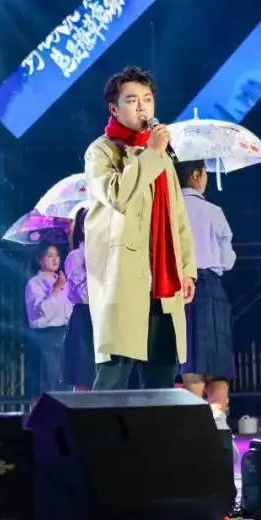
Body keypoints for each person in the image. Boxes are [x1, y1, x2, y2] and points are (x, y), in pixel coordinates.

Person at [83, 66, 197, 390]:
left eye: (147, 99)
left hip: (163, 282)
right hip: (123, 280)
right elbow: (118, 194)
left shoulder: (161, 158)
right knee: (113, 378)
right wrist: (152, 153)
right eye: (132, 100)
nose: (142, 108)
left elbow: (178, 218)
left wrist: (187, 269)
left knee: (161, 380)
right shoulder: (101, 151)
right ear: (114, 108)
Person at [176, 160, 236, 429]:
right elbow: (227, 260)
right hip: (211, 287)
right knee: (217, 369)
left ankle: (193, 430)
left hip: (179, 290)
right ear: (197, 175)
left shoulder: (169, 210)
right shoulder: (214, 211)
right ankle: (219, 427)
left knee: (190, 365)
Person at [24, 244, 72, 396]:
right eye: (49, 256)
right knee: (48, 382)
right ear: (39, 260)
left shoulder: (62, 280)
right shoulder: (35, 283)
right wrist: (56, 289)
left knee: (64, 382)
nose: (55, 259)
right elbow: (44, 310)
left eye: (56, 255)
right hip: (46, 336)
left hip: (64, 334)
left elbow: (68, 309)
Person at [62, 208, 94, 391]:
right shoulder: (76, 257)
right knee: (84, 378)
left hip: (102, 318)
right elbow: (80, 295)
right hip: (84, 319)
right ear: (83, 227)